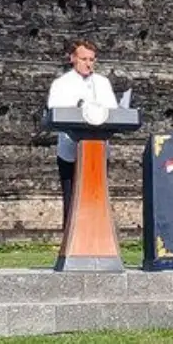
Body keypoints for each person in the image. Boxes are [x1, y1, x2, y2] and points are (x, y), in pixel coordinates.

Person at [46, 38, 118, 231]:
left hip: (98, 150)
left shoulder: (102, 83)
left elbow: (113, 111)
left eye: (92, 60)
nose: (88, 64)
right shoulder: (61, 84)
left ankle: (98, 238)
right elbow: (55, 112)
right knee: (72, 199)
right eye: (84, 59)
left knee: (97, 197)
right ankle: (72, 241)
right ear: (73, 59)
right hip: (71, 150)